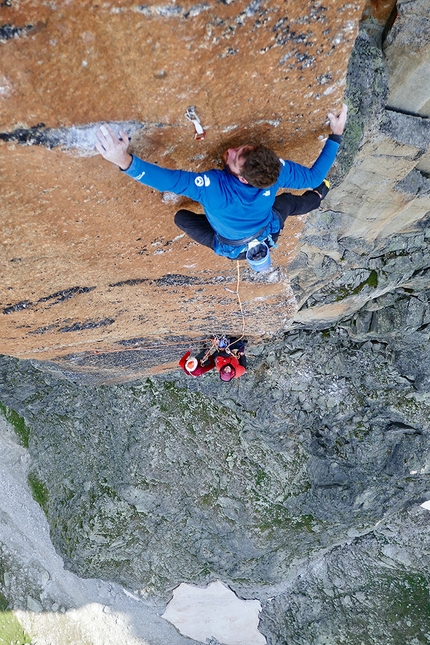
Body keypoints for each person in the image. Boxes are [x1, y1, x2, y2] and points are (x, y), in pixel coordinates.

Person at [95, 105, 347, 260]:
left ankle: (317, 197)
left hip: (232, 247)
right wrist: (336, 135)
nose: (231, 150)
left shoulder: (213, 187)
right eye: (242, 149)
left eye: (235, 157)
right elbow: (313, 177)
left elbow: (170, 181)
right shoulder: (275, 171)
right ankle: (319, 196)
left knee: (182, 217)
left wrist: (125, 161)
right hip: (261, 233)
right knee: (289, 203)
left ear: (241, 177)